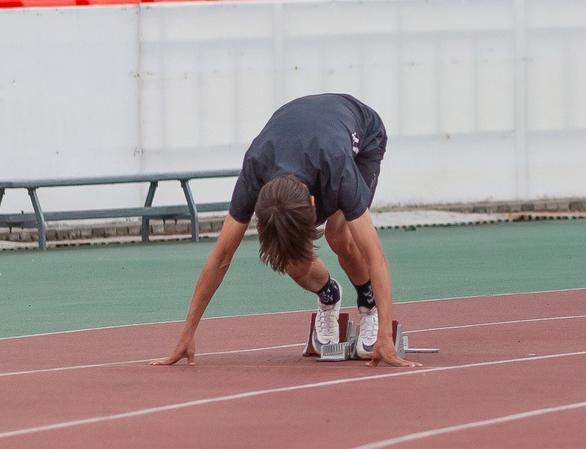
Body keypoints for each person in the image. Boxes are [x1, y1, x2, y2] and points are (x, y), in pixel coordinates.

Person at [159, 93, 414, 366]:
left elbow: (375, 256)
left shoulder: (338, 169)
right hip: (304, 134)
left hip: (361, 135)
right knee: (289, 254)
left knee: (340, 237)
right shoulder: (255, 168)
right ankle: (329, 295)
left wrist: (385, 336)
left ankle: (368, 305)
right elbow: (220, 258)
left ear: (313, 203)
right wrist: (188, 333)